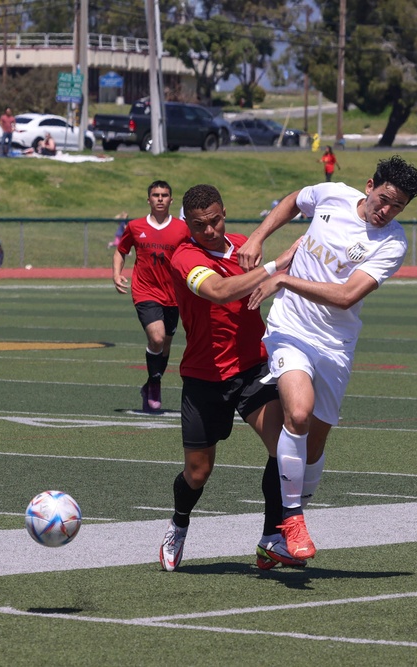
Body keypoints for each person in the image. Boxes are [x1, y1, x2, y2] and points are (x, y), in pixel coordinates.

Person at [235, 155, 417, 563]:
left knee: (315, 446)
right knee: (298, 416)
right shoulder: (333, 195)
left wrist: (283, 277)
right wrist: (257, 236)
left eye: (398, 207)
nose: (387, 211)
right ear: (370, 185)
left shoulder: (393, 242)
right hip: (290, 329)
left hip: (335, 346)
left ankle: (274, 538)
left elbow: (346, 297)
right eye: (385, 199)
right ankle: (291, 521)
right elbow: (293, 200)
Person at [159, 184, 301, 572]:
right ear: (188, 224)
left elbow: (259, 290)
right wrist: (275, 265)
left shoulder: (243, 246)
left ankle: (272, 538)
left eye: (216, 220)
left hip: (254, 369)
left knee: (284, 447)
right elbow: (220, 292)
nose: (210, 230)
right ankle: (179, 523)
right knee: (197, 472)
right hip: (205, 376)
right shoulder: (184, 257)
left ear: (225, 213)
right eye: (200, 224)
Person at [112, 180, 189, 413]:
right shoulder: (135, 226)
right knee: (156, 338)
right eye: (155, 195)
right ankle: (155, 385)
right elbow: (121, 250)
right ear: (148, 199)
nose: (159, 198)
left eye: (164, 195)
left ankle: (150, 384)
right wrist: (116, 273)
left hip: (174, 295)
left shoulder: (183, 229)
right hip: (145, 291)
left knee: (165, 345)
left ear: (171, 200)